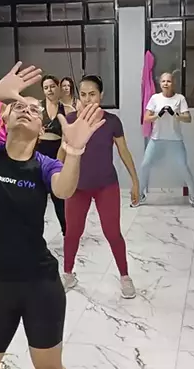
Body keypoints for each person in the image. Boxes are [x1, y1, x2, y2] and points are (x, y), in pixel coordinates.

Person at [0, 62, 105, 369]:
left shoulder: (45, 165)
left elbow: (64, 189)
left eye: (33, 110)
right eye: (17, 106)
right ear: (4, 119)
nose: (25, 110)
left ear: (41, 129)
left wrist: (74, 150)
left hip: (40, 284)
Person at [57, 75, 139, 298]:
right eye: (83, 95)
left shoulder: (112, 122)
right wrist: (55, 177)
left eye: (92, 94)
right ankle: (68, 274)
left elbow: (124, 151)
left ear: (101, 95)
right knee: (72, 232)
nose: (87, 99)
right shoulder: (71, 119)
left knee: (112, 232)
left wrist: (135, 181)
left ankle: (125, 276)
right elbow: (62, 154)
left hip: (106, 185)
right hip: (77, 186)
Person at [135, 72, 194, 210]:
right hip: (157, 139)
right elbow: (146, 118)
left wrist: (175, 114)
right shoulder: (155, 98)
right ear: (160, 83)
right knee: (145, 165)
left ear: (173, 83)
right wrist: (158, 115)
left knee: (184, 167)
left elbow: (188, 118)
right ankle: (140, 195)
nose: (166, 84)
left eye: (169, 81)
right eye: (163, 81)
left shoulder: (180, 98)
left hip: (175, 140)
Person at [39, 75, 68, 235]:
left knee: (59, 197)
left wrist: (59, 160)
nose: (49, 90)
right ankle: (36, 235)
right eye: (46, 88)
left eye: (52, 86)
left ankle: (67, 233)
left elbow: (67, 137)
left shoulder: (65, 109)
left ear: (58, 87)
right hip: (39, 153)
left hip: (58, 152)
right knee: (38, 198)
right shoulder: (38, 107)